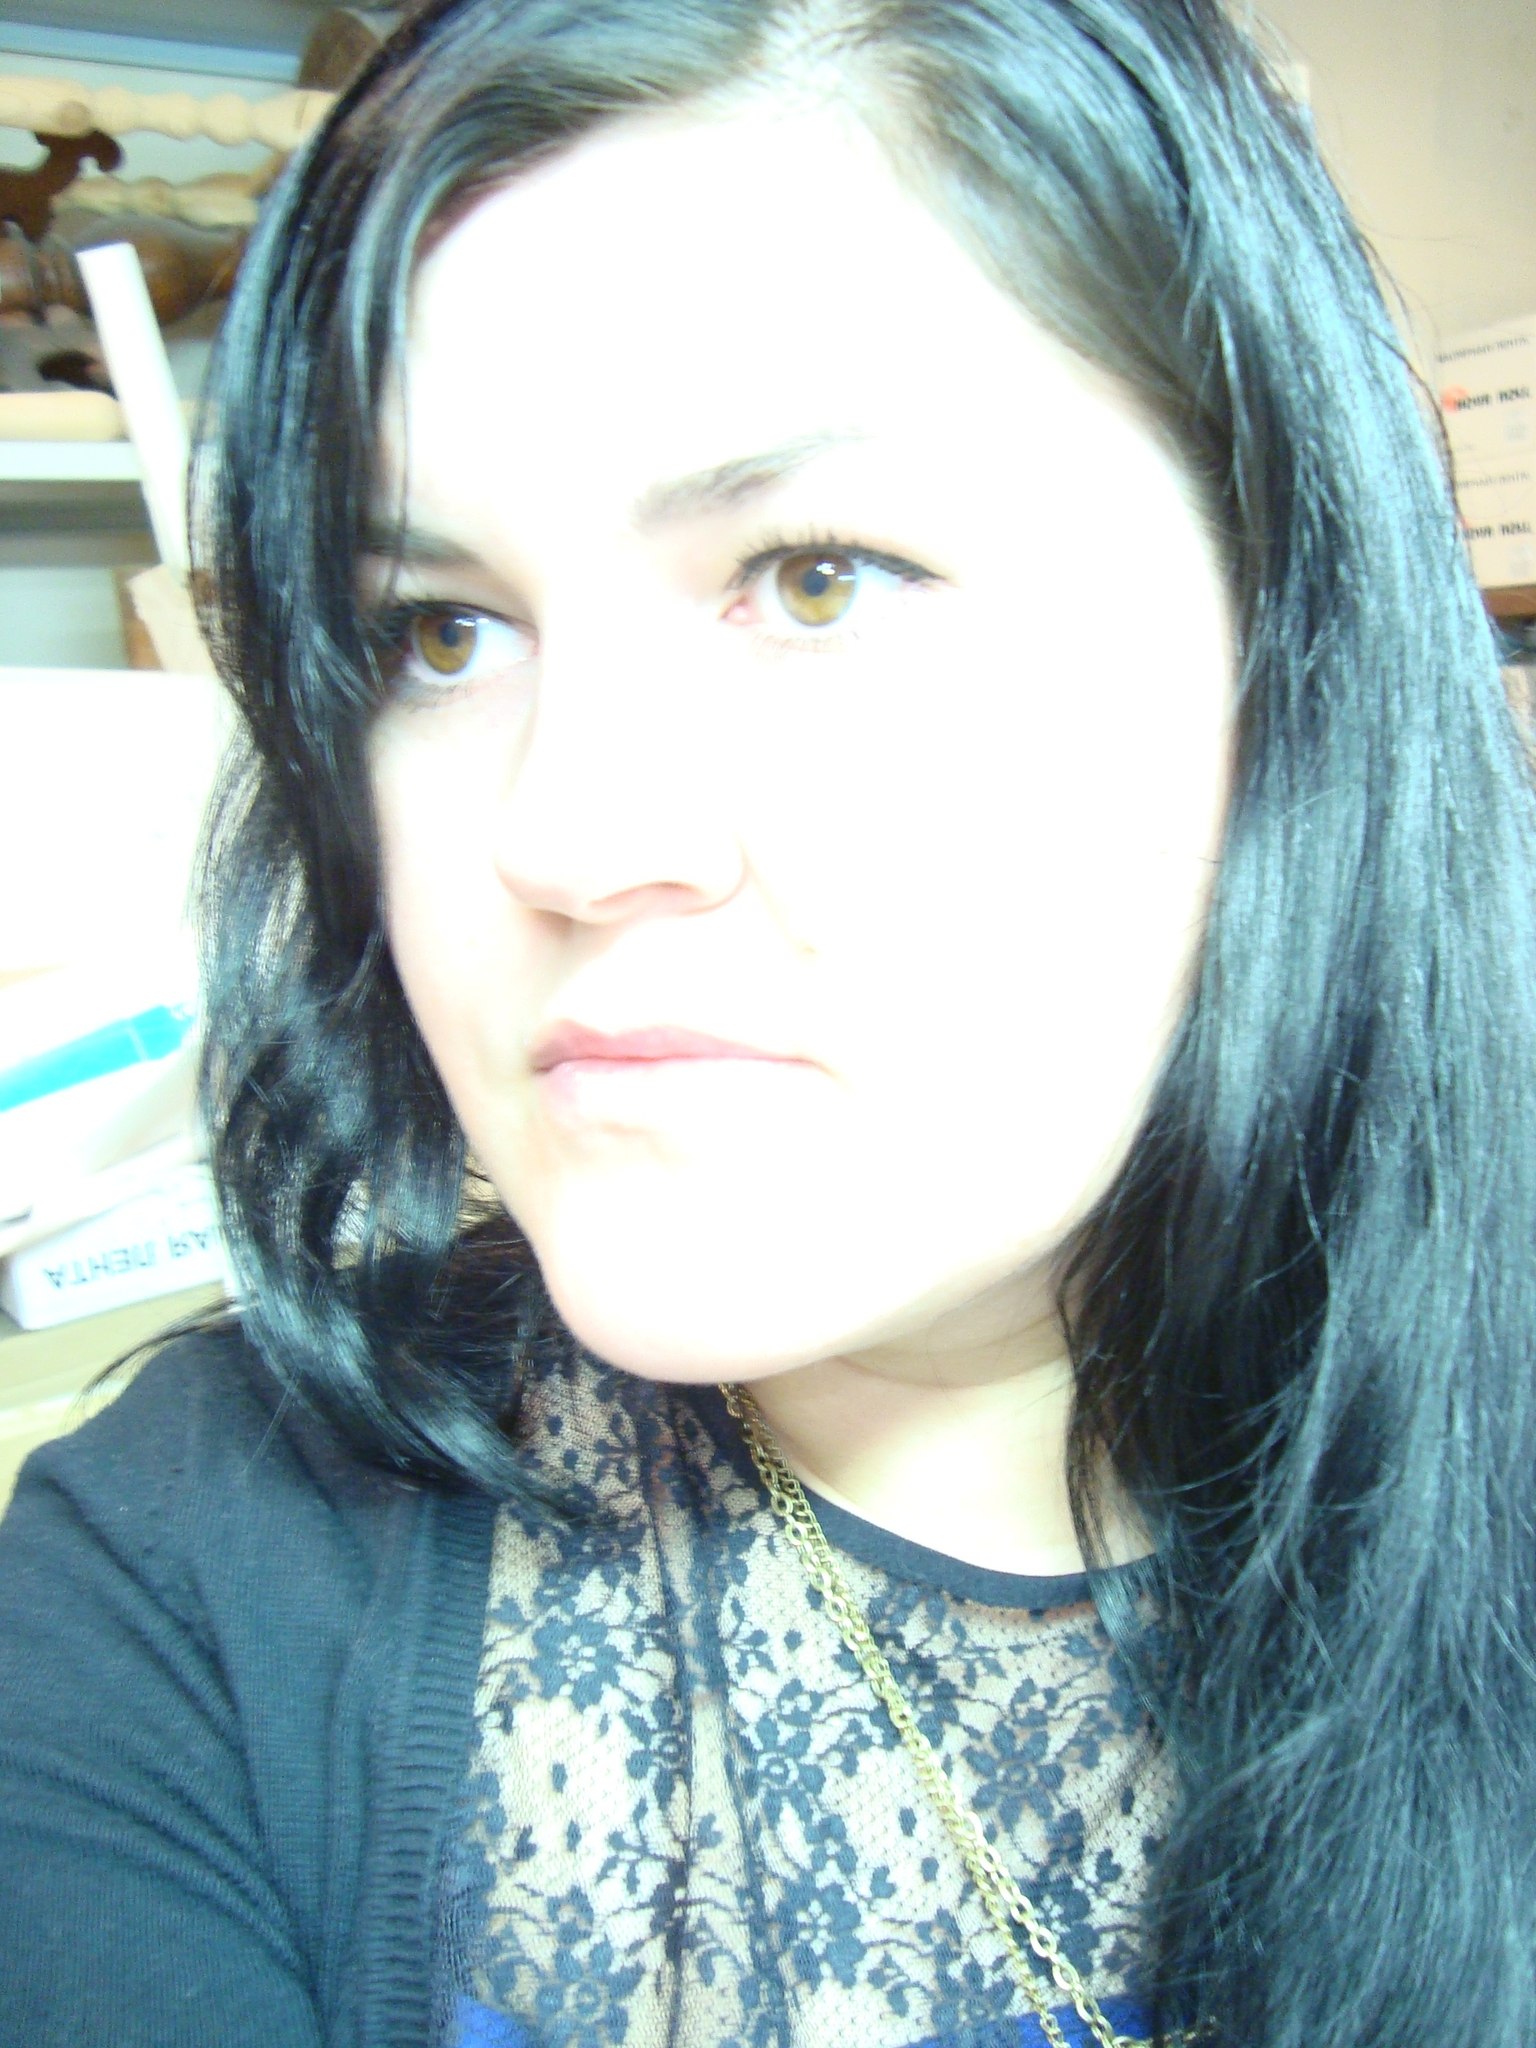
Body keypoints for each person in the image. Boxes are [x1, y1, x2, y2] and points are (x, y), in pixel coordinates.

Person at [3, 1, 1533, 2042]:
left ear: (1294, 652)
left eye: (816, 578)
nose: (561, 831)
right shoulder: (175, 1584)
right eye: (438, 632)